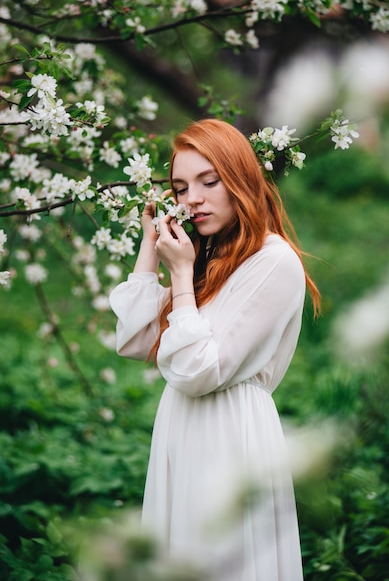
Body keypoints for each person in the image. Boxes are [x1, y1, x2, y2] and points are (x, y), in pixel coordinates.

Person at [109, 118, 320, 580]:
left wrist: (181, 278)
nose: (193, 199)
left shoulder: (271, 259)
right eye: (181, 188)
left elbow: (199, 370)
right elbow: (134, 338)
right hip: (183, 427)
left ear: (240, 180)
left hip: (231, 433)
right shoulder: (208, 257)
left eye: (209, 181)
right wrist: (150, 244)